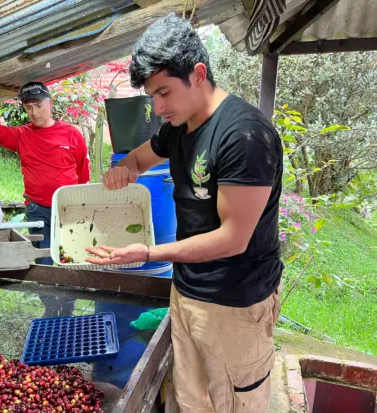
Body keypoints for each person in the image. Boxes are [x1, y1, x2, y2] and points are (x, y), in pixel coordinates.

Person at [85, 14, 284, 413]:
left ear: (197, 73)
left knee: (232, 403)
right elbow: (141, 158)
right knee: (190, 399)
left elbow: (232, 239)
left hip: (235, 302)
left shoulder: (244, 136)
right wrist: (122, 172)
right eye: (150, 96)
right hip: (187, 289)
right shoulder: (180, 125)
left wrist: (148, 253)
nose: (157, 108)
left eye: (163, 93)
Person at [0, 80, 90, 317]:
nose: (34, 112)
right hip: (38, 210)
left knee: (68, 258)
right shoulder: (22, 135)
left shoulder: (71, 133)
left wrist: (82, 202)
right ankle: (51, 308)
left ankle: (68, 309)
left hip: (69, 209)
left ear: (49, 103)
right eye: (28, 107)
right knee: (44, 261)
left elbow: (83, 170)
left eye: (38, 105)